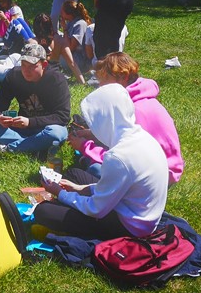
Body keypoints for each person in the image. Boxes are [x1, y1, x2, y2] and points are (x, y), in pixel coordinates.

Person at [34, 83, 168, 240]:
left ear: (104, 121)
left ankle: (74, 229)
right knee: (74, 175)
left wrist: (61, 193)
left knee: (43, 211)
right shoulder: (143, 137)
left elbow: (96, 209)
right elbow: (117, 186)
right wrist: (79, 188)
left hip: (130, 228)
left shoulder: (118, 157)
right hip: (139, 212)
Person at [69, 52, 183, 185]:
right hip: (158, 166)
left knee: (97, 169)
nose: (101, 86)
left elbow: (124, 158)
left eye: (105, 80)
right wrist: (92, 134)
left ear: (123, 77)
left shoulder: (134, 111)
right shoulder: (141, 100)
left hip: (160, 174)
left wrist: (85, 147)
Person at [0, 43, 70, 154]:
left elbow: (63, 116)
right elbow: (0, 103)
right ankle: (32, 144)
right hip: (20, 127)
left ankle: (8, 148)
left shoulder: (56, 79)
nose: (26, 70)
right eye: (23, 65)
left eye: (32, 66)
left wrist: (30, 122)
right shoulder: (14, 75)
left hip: (45, 127)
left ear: (44, 64)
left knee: (56, 134)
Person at [0, 13, 50, 84]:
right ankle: (1, 67)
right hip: (25, 64)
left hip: (25, 72)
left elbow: (48, 60)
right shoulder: (54, 40)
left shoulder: (53, 44)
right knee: (15, 56)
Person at [53, 0, 94, 84]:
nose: (60, 13)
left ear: (69, 14)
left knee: (52, 53)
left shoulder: (80, 24)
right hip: (73, 56)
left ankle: (54, 70)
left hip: (79, 61)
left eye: (62, 11)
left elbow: (71, 47)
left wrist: (64, 29)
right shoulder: (71, 22)